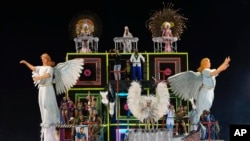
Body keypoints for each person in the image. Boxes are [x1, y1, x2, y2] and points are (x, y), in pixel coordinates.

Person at [168, 56, 231, 126]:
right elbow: (216, 71)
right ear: (205, 64)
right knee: (203, 110)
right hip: (205, 93)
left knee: (206, 109)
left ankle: (202, 124)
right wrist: (224, 63)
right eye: (209, 62)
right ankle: (196, 124)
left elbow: (217, 71)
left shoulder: (210, 71)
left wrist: (224, 66)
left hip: (210, 92)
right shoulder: (205, 71)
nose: (210, 63)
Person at [20, 53, 60, 141]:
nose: (42, 60)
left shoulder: (49, 68)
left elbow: (48, 75)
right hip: (41, 89)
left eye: (44, 58)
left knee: (47, 104)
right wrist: (25, 62)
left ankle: (50, 121)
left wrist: (38, 77)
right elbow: (34, 68)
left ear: (47, 59)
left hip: (47, 88)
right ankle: (45, 120)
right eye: (41, 58)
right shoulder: (41, 68)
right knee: (41, 104)